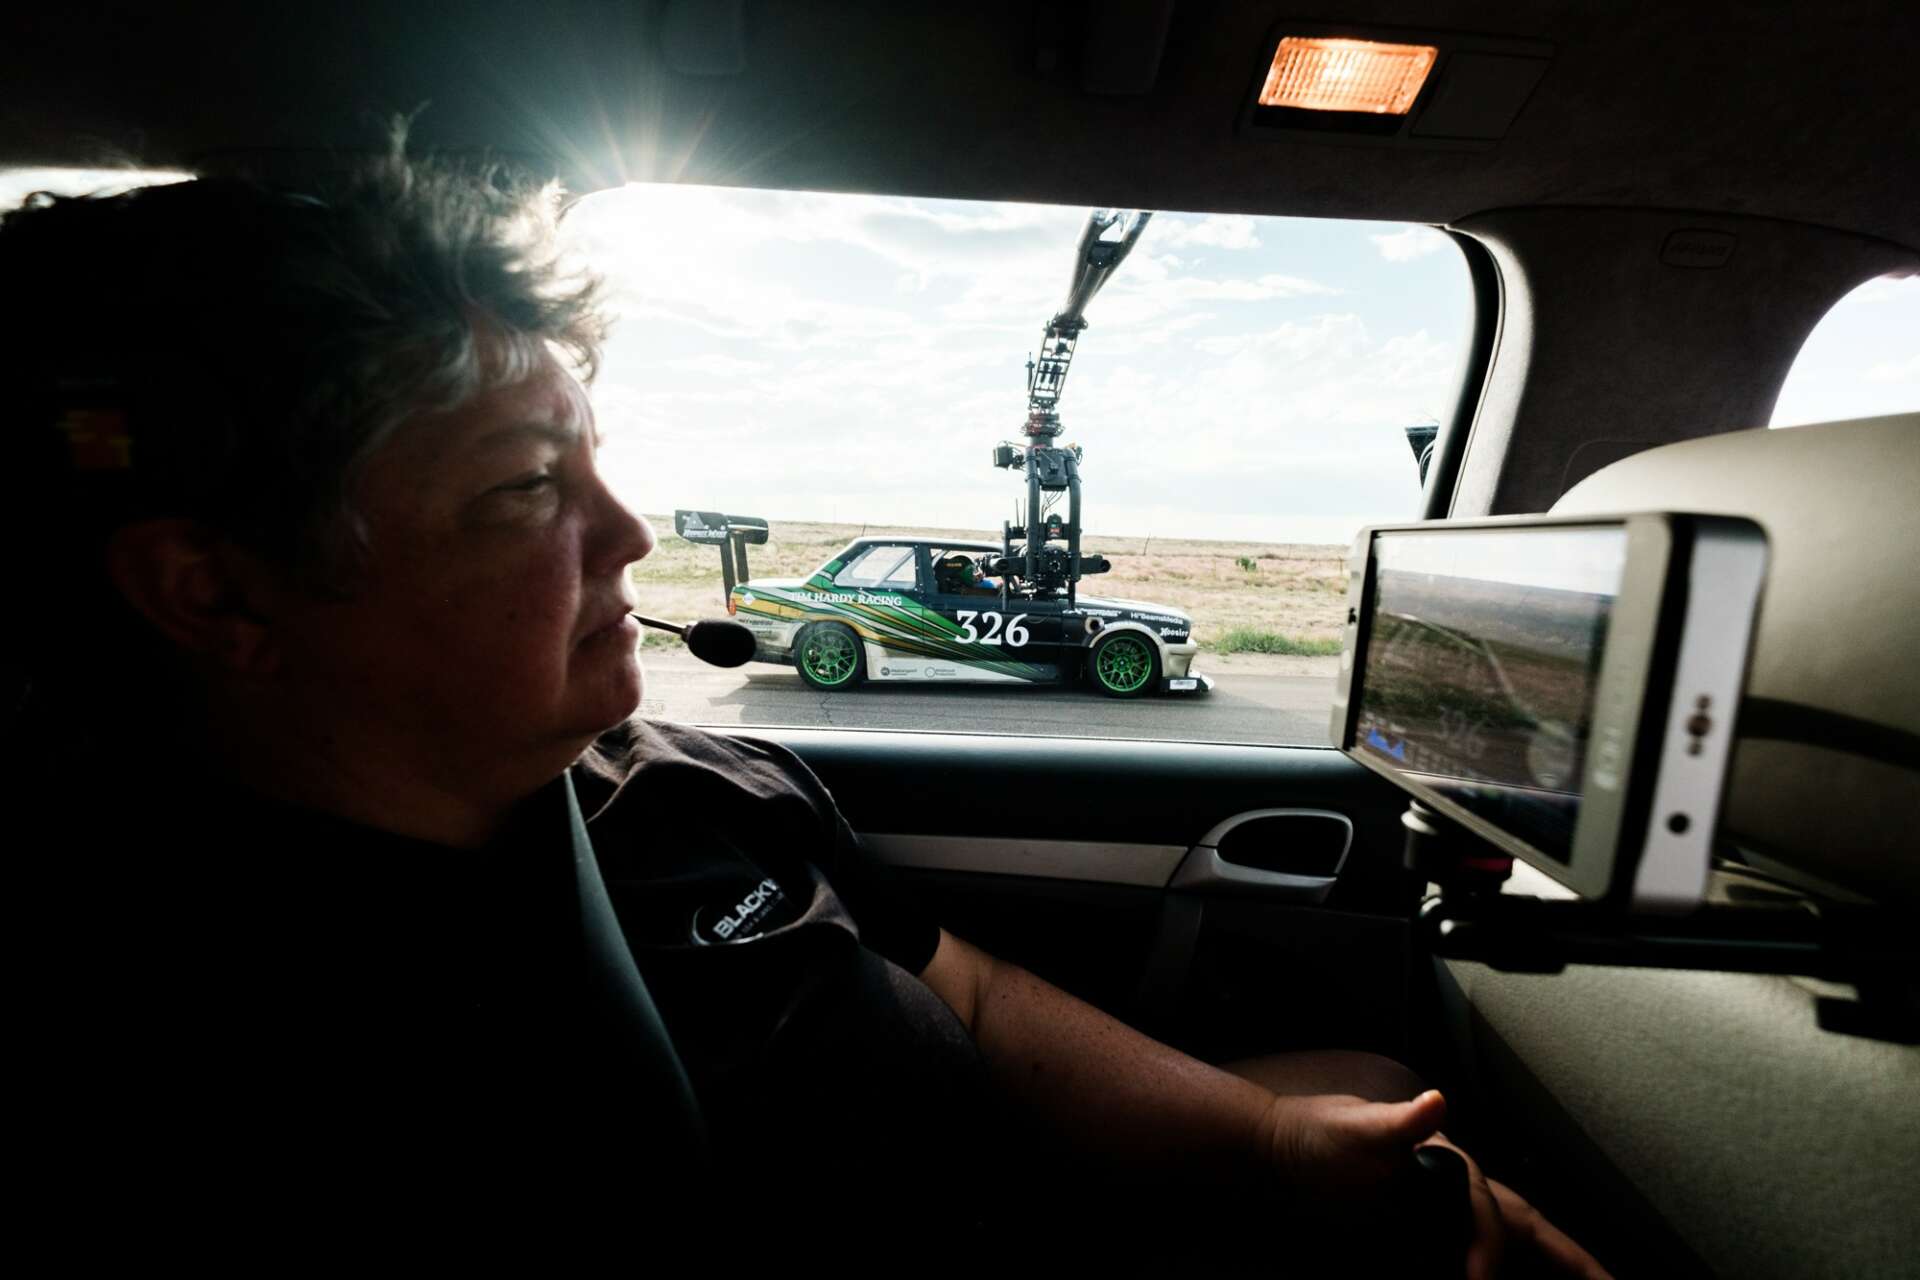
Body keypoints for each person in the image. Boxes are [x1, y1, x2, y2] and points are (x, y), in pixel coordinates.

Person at [3, 142, 1607, 1275]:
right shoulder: (167, 1027)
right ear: (214, 597)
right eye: (525, 490)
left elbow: (969, 993)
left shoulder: (681, 789)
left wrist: (1262, 1149)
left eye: (594, 463)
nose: (631, 535)